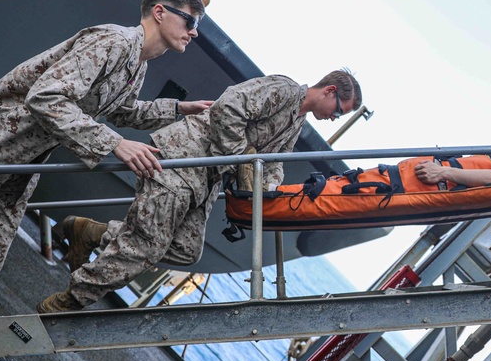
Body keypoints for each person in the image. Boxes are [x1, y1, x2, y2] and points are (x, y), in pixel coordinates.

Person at [36, 70, 362, 313]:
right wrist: (242, 156)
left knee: (186, 250)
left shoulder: (297, 121)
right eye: (338, 110)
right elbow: (228, 107)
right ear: (329, 90)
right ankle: (69, 300)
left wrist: (270, 189)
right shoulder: (284, 89)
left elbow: (275, 161)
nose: (334, 118)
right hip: (183, 158)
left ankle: (91, 232)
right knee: (145, 245)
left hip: (205, 180)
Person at [0, 0, 211, 287]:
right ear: (160, 12)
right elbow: (46, 97)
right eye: (190, 21)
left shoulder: (137, 61)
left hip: (20, 167)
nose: (194, 32)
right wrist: (115, 143)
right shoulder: (113, 42)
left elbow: (123, 111)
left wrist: (181, 108)